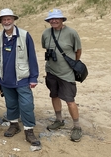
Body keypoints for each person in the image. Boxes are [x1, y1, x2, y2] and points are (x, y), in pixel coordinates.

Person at [0, 8, 41, 146]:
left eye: (9, 19)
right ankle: (14, 125)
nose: (7, 21)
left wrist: (33, 77)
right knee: (11, 105)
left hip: (22, 78)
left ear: (13, 20)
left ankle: (29, 130)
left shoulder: (25, 35)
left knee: (27, 105)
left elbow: (32, 57)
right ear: (1, 22)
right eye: (4, 19)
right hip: (5, 79)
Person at [41, 9, 83, 142]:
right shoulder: (46, 33)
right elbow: (45, 48)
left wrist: (72, 65)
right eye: (51, 19)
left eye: (56, 18)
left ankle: (77, 126)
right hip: (51, 71)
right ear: (48, 21)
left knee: (70, 100)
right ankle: (59, 120)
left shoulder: (71, 33)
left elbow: (78, 51)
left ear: (62, 19)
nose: (53, 21)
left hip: (66, 73)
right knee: (54, 95)